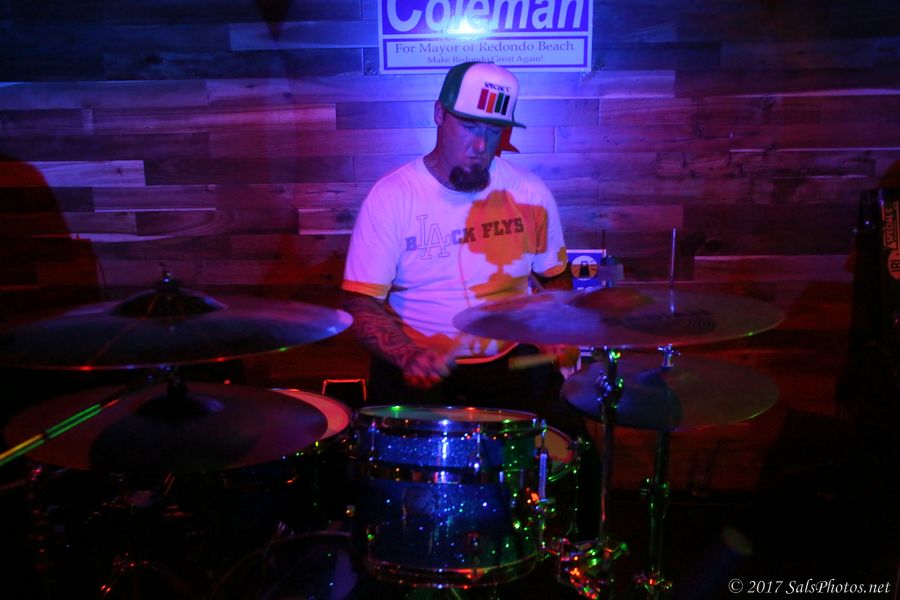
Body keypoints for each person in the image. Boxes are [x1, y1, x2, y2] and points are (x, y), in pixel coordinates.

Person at [341, 62, 598, 536]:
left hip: (508, 361)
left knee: (579, 456)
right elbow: (361, 304)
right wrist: (408, 354)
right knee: (408, 499)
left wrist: (557, 328)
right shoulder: (393, 197)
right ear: (439, 114)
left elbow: (555, 279)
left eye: (493, 130)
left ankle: (567, 557)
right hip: (418, 365)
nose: (481, 145)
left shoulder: (530, 193)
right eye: (469, 125)